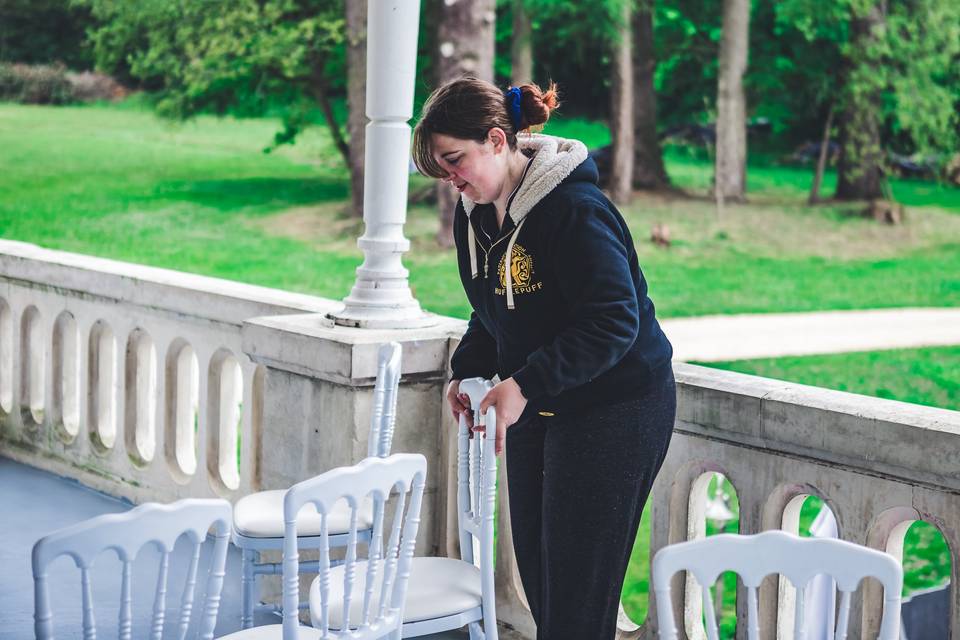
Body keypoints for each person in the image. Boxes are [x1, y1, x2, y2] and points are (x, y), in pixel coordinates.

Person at [412, 76, 676, 640]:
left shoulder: (576, 210)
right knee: (541, 581)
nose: (450, 181)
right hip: (540, 401)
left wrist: (526, 383)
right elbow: (492, 308)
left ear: (497, 139)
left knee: (579, 595)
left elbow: (614, 321)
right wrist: (470, 368)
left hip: (616, 405)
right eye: (440, 169)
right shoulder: (476, 213)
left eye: (455, 161)